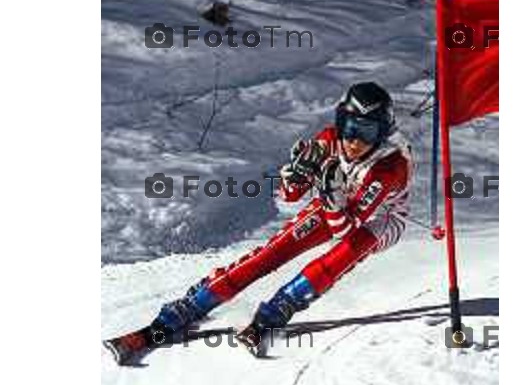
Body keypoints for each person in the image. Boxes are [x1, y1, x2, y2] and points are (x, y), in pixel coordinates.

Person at [104, 82, 413, 363]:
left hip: (381, 217)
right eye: (348, 127)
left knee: (347, 250)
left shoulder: (390, 167)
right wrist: (294, 176)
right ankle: (192, 304)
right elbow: (291, 196)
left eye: (367, 132)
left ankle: (283, 305)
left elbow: (344, 231)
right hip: (339, 200)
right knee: (272, 253)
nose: (353, 140)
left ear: (382, 132)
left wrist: (331, 194)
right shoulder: (330, 140)